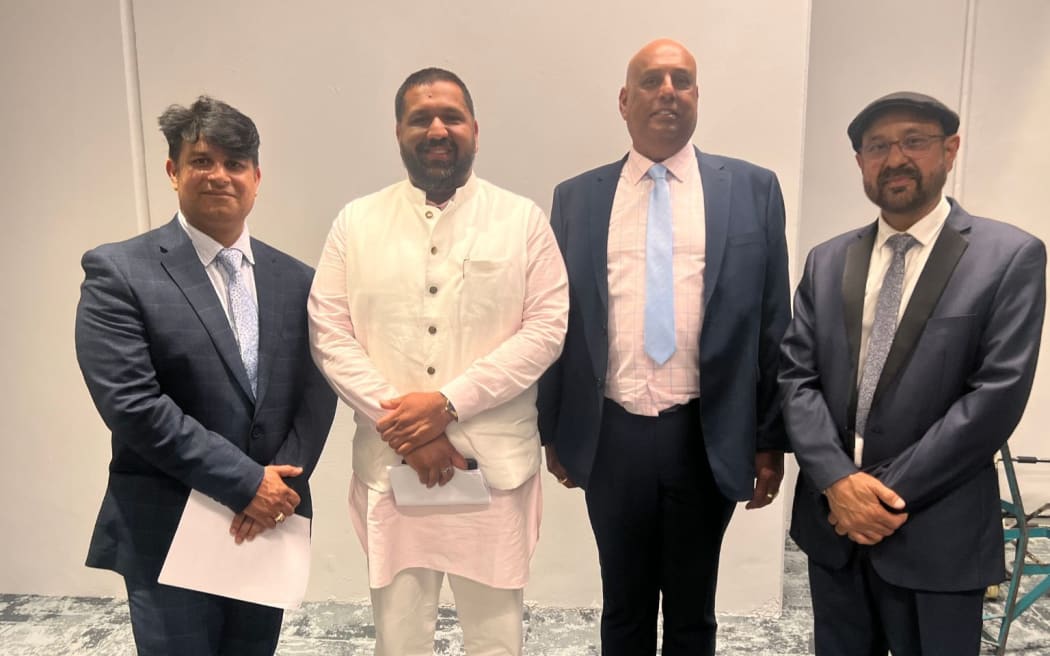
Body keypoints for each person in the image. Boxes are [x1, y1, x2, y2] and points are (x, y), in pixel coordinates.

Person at [536, 39, 791, 655]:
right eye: (652, 80)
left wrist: (770, 438)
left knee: (692, 612)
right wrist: (555, 431)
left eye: (682, 80)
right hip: (611, 432)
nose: (668, 91)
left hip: (706, 433)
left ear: (698, 98)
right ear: (624, 102)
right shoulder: (578, 197)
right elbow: (555, 320)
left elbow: (772, 322)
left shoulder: (753, 189)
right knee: (622, 606)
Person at [308, 68, 568, 656]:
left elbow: (546, 330)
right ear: (397, 132)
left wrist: (447, 406)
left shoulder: (522, 220)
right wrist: (407, 427)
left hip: (494, 469)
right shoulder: (355, 222)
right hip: (390, 465)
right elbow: (330, 332)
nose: (436, 128)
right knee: (398, 639)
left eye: (450, 116)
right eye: (419, 118)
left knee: (496, 638)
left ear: (475, 128)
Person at [779, 91, 1046, 655]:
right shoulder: (828, 261)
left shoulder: (1008, 257)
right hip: (834, 529)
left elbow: (994, 397)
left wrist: (880, 496)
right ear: (859, 163)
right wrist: (836, 481)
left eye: (914, 142)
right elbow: (795, 378)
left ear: (950, 151)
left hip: (937, 533)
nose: (894, 158)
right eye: (877, 146)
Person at [75, 96, 337, 655]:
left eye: (235, 163)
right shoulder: (119, 271)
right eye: (201, 161)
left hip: (269, 520)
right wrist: (246, 483)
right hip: (169, 527)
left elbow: (318, 393)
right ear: (173, 171)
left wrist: (279, 485)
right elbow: (133, 405)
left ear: (257, 178)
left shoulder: (299, 280)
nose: (219, 175)